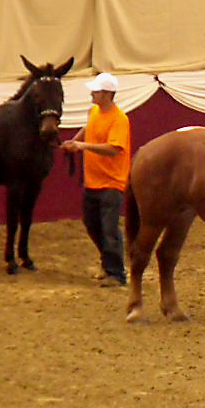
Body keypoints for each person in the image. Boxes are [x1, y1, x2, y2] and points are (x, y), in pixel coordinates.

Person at [62, 72, 130, 287]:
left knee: (109, 229)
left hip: (111, 182)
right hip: (92, 181)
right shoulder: (94, 111)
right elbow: (88, 127)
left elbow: (113, 148)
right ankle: (108, 263)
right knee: (92, 224)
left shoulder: (119, 120)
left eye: (96, 91)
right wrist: (74, 140)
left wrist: (83, 146)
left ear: (107, 94)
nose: (92, 94)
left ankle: (116, 273)